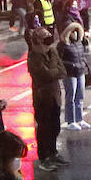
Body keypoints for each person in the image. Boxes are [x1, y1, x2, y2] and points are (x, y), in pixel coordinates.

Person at [26, 27, 67, 171]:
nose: (49, 38)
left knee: (55, 127)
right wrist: (54, 71)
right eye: (45, 36)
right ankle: (44, 158)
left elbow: (62, 71)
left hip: (55, 95)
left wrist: (53, 71)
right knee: (44, 129)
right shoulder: (33, 57)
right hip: (42, 98)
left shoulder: (53, 51)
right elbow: (45, 75)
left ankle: (53, 152)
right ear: (37, 40)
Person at [58, 21, 90, 130]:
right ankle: (70, 120)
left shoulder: (79, 43)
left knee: (80, 96)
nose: (75, 33)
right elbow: (59, 60)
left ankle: (79, 119)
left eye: (76, 31)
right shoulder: (62, 45)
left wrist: (83, 63)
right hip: (69, 73)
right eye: (73, 31)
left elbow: (82, 55)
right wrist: (71, 65)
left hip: (80, 72)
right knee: (70, 97)